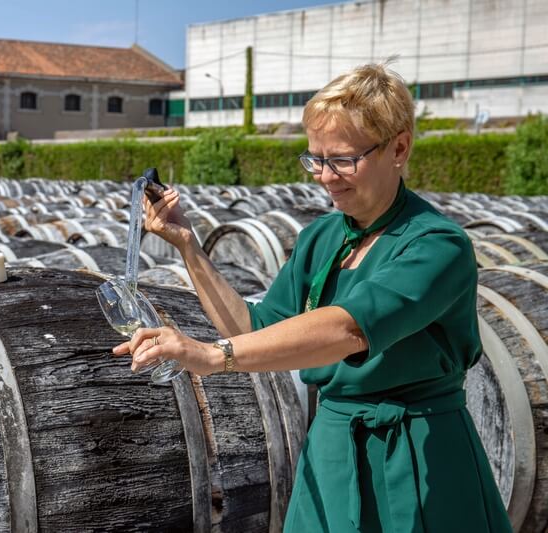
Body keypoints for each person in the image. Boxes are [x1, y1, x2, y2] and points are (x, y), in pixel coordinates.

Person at [113, 62, 512, 532]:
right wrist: (187, 244)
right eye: (315, 159)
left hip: (416, 453)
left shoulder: (436, 244)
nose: (324, 176)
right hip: (332, 448)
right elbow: (253, 331)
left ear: (399, 147)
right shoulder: (320, 238)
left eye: (342, 159)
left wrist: (207, 355)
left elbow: (348, 327)